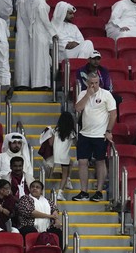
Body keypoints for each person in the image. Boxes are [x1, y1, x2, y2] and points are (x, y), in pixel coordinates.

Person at [73, 72, 117, 202]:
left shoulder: (106, 94)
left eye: (96, 83)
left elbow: (113, 114)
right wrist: (88, 95)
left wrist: (108, 130)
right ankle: (83, 191)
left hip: (100, 134)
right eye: (91, 83)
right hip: (85, 133)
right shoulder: (83, 94)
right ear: (87, 83)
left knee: (100, 161)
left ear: (99, 82)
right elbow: (78, 108)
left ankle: (98, 191)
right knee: (82, 162)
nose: (94, 85)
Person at [39, 111, 77, 201]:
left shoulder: (54, 131)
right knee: (64, 174)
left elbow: (51, 144)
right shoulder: (71, 132)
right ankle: (60, 192)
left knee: (71, 162)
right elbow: (76, 143)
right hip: (64, 157)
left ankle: (68, 180)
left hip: (56, 156)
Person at [26, 0, 55, 89]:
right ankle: (40, 83)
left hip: (38, 32)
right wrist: (53, 33)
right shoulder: (41, 3)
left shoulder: (37, 1)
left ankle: (39, 82)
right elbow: (45, 20)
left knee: (39, 57)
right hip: (40, 32)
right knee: (41, 57)